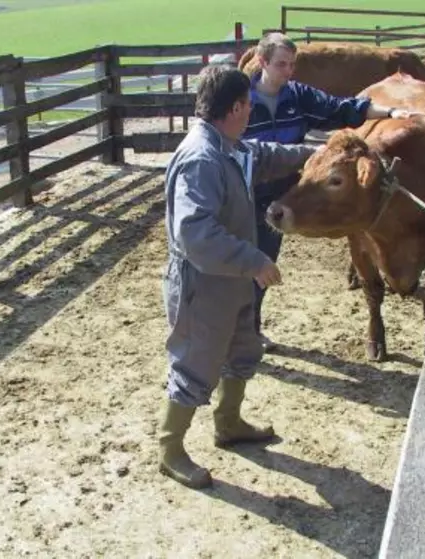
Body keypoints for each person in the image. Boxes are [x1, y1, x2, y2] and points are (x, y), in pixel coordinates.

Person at [159, 64, 320, 490]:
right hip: (203, 282)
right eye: (248, 105)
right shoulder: (202, 158)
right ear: (234, 108)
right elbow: (194, 233)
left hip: (230, 277)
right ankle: (170, 449)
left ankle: (228, 423)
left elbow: (265, 156)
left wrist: (312, 154)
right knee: (196, 360)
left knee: (242, 347)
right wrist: (253, 260)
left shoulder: (230, 146)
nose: (251, 111)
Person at [243, 32, 416, 351]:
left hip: (281, 192)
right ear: (263, 62)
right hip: (240, 192)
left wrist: (390, 113)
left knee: (262, 263)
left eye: (292, 65)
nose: (288, 71)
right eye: (281, 64)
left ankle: (249, 330)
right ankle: (223, 333)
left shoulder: (296, 95)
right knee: (233, 263)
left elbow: (341, 108)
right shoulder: (240, 98)